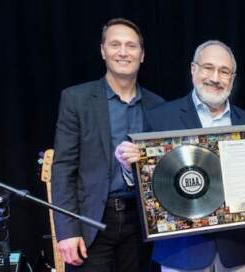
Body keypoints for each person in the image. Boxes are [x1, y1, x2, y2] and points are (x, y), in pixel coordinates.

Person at [116, 40, 245, 272]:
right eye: (208, 67)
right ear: (193, 69)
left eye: (224, 71)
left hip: (236, 253)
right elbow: (147, 189)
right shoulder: (160, 119)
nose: (215, 77)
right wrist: (128, 166)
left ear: (232, 78)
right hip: (181, 252)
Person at [52, 18, 164, 272]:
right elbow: (63, 169)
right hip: (91, 224)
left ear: (142, 55)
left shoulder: (158, 107)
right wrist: (67, 231)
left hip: (142, 226)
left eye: (131, 46)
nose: (123, 52)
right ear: (103, 51)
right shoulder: (76, 99)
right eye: (115, 44)